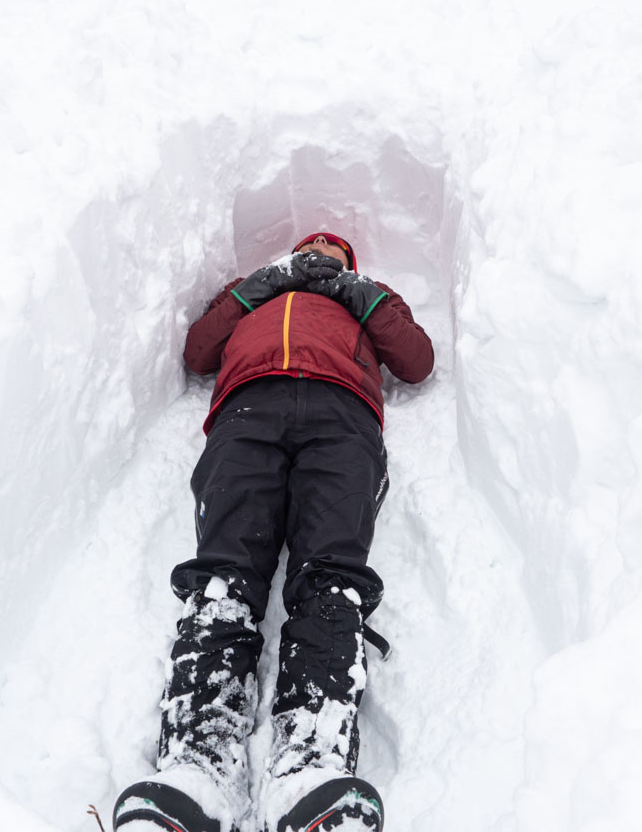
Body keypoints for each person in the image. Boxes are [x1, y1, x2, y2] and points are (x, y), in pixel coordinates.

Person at [113, 232, 434, 832]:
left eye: (332, 250)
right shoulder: (255, 295)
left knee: (332, 578)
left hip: (343, 414)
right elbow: (198, 351)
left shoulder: (364, 298)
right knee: (223, 576)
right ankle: (196, 766)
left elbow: (416, 361)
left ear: (350, 264)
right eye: (308, 246)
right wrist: (265, 284)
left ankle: (310, 766)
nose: (318, 251)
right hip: (247, 409)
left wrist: (352, 291)